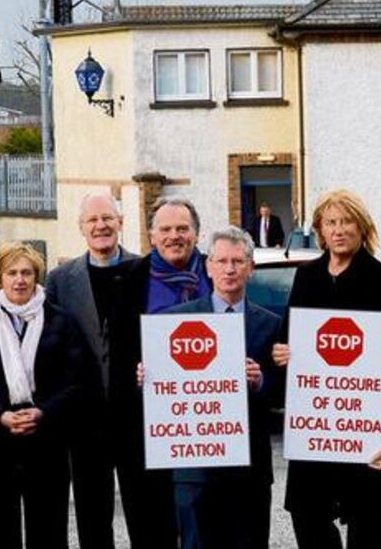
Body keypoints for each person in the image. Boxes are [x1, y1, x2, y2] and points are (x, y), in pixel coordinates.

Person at [272, 188, 381, 549]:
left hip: (368, 428)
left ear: (362, 227)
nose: (338, 230)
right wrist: (283, 355)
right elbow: (289, 340)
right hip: (318, 425)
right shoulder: (307, 278)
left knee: (370, 527)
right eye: (330, 222)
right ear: (320, 230)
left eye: (346, 221)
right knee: (307, 517)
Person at [137, 226, 281, 549]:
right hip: (195, 470)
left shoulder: (271, 324)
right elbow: (158, 396)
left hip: (249, 471)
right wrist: (146, 378)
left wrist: (260, 382)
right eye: (222, 261)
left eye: (238, 261)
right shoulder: (176, 320)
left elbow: (284, 394)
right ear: (208, 266)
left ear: (251, 267)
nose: (230, 269)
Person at [0, 242, 89, 548]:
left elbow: (78, 381)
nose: (20, 280)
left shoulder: (61, 321)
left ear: (37, 277)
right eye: (11, 272)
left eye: (27, 272)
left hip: (46, 441)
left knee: (49, 530)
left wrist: (44, 412)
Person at [108, 196, 212, 548]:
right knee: (151, 525)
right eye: (165, 229)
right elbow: (118, 354)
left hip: (207, 425)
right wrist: (133, 377)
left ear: (196, 234)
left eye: (182, 229)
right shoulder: (128, 279)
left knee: (205, 524)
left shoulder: (216, 273)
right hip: (145, 426)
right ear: (151, 236)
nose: (174, 236)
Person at [45, 191, 138, 549]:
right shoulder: (59, 281)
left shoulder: (143, 271)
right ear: (81, 228)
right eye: (93, 221)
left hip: (135, 416)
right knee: (91, 515)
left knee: (144, 512)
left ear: (120, 222)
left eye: (107, 219)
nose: (101, 226)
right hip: (84, 421)